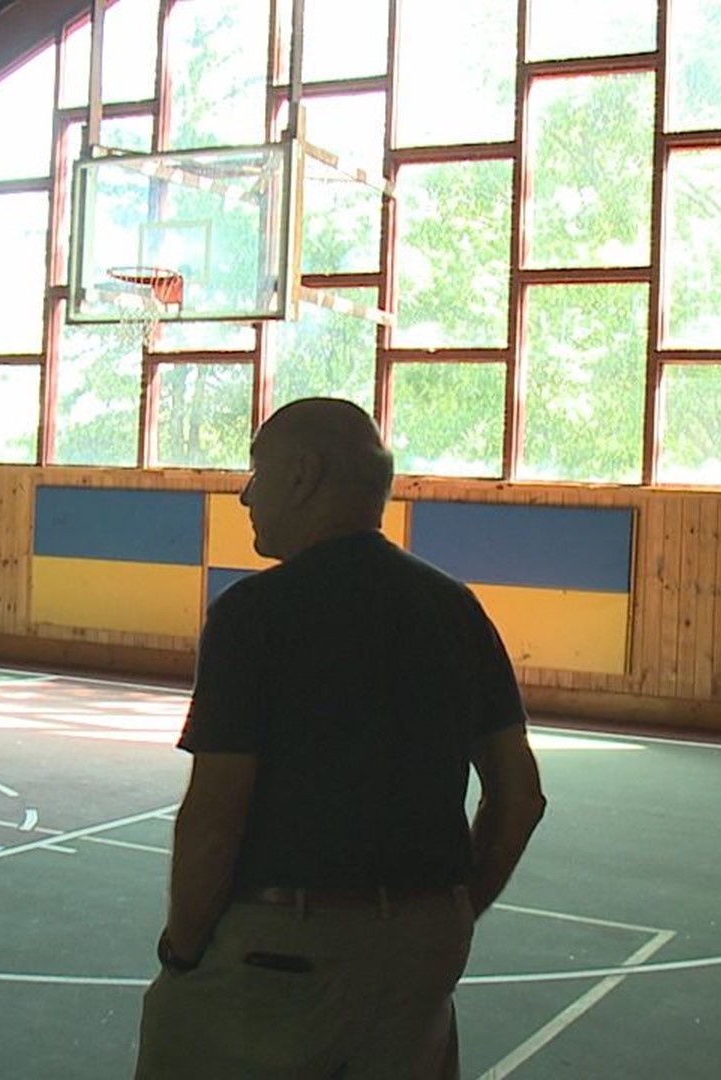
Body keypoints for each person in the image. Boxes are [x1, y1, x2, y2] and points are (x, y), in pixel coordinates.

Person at [134, 397, 548, 1079]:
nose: (244, 494)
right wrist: (449, 912)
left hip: (279, 958)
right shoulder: (455, 609)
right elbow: (520, 797)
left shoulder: (253, 616)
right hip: (422, 955)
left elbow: (213, 818)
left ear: (301, 475)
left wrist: (183, 948)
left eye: (256, 471)